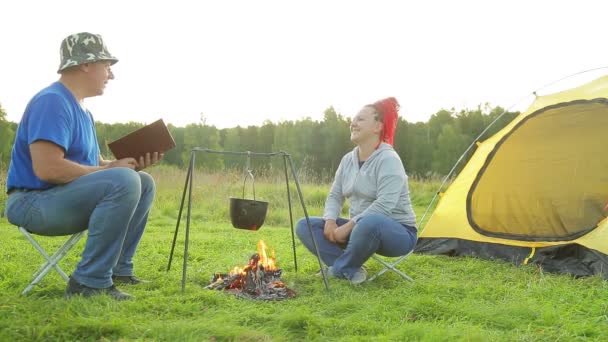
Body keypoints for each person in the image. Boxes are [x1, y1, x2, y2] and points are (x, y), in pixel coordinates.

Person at [4, 32, 163, 300]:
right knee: (124, 180)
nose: (110, 75)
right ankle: (89, 282)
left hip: (60, 199)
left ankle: (117, 269)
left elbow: (96, 164)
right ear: (85, 64)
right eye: (107, 66)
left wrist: (125, 163)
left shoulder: (83, 111)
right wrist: (115, 172)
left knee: (143, 181)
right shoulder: (52, 102)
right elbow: (48, 169)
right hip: (32, 202)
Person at [295, 97, 417, 285]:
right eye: (353, 119)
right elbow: (335, 195)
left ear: (377, 127)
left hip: (397, 233)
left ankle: (340, 269)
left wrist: (348, 226)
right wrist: (329, 221)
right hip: (360, 230)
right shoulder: (347, 160)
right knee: (305, 225)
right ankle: (348, 268)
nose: (353, 123)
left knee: (370, 222)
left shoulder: (388, 159)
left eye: (360, 119)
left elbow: (384, 206)